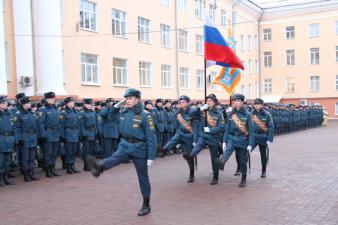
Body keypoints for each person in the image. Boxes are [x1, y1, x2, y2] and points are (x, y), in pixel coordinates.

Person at [86, 88, 157, 216]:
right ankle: (100, 167)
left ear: (137, 100)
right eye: (126, 99)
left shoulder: (145, 115)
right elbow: (106, 115)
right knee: (114, 158)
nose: (127, 101)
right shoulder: (124, 111)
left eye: (130, 99)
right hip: (124, 145)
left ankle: (146, 204)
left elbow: (151, 137)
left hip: (139, 148)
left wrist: (151, 156)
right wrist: (115, 106)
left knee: (143, 177)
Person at [215, 93, 254, 187]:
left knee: (242, 160)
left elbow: (251, 131)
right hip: (232, 138)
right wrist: (224, 141)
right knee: (227, 150)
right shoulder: (230, 113)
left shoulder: (247, 115)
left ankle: (243, 178)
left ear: (242, 102)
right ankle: (222, 162)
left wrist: (250, 144)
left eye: (237, 101)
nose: (235, 103)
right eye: (234, 101)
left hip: (242, 139)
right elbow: (227, 128)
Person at [189, 94, 225, 185]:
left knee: (214, 158)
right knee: (193, 152)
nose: (208, 102)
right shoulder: (202, 111)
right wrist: (199, 108)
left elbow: (221, 127)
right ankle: (191, 168)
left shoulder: (219, 113)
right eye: (207, 101)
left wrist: (210, 130)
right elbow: (191, 115)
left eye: (211, 101)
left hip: (214, 138)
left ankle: (215, 176)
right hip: (203, 137)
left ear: (215, 103)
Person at [163, 95, 199, 183]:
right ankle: (163, 149)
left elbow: (195, 127)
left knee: (189, 156)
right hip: (180, 133)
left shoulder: (192, 112)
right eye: (180, 102)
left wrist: (195, 140)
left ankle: (192, 174)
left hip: (189, 135)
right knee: (172, 140)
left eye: (183, 102)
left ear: (188, 103)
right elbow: (175, 123)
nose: (181, 104)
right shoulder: (177, 112)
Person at [37, 92, 61, 178]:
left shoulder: (55, 109)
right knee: (48, 153)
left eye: (53, 98)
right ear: (46, 99)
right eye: (50, 98)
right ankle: (48, 170)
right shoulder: (43, 109)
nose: (52, 100)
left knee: (54, 153)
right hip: (48, 134)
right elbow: (41, 124)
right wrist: (43, 136)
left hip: (55, 133)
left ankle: (53, 168)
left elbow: (59, 123)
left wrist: (59, 134)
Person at [16, 96, 40, 182]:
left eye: (30, 103)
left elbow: (36, 127)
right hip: (25, 137)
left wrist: (38, 137)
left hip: (33, 137)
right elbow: (17, 128)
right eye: (28, 103)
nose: (29, 104)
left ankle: (31, 173)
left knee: (32, 157)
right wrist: (19, 139)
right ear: (23, 104)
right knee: (25, 158)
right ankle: (26, 175)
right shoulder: (19, 114)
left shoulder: (32, 113)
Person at [251, 98, 274, 178]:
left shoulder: (267, 114)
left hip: (263, 137)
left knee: (263, 156)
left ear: (262, 105)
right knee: (246, 152)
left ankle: (263, 171)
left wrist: (269, 139)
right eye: (255, 104)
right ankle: (241, 168)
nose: (256, 105)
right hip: (253, 137)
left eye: (258, 104)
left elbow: (271, 127)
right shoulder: (251, 114)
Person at [60, 97, 81, 174]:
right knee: (68, 152)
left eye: (73, 102)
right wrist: (62, 136)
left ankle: (72, 166)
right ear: (67, 103)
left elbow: (78, 125)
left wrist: (78, 134)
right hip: (68, 133)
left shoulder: (75, 112)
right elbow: (61, 126)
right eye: (71, 102)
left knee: (73, 151)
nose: (73, 103)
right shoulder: (63, 113)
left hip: (75, 133)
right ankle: (68, 168)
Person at [0, 96, 17, 187]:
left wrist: (15, 139)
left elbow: (14, 128)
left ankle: (6, 178)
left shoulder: (10, 114)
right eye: (3, 103)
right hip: (1, 139)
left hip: (9, 139)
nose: (6, 104)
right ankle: (1, 179)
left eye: (6, 102)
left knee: (7, 160)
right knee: (1, 161)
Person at [80, 98, 97, 171]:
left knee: (91, 151)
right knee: (86, 151)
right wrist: (83, 133)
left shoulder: (92, 112)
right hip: (86, 133)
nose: (90, 105)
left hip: (92, 133)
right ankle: (86, 166)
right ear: (85, 104)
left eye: (90, 104)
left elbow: (95, 123)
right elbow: (81, 125)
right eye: (88, 104)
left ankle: (90, 165)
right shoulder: (82, 113)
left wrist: (96, 132)